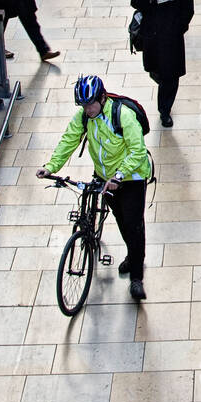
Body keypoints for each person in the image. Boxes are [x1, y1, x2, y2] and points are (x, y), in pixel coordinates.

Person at [37, 75, 152, 301]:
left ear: (102, 97)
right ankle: (132, 253)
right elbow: (69, 140)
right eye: (83, 105)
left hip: (132, 178)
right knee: (121, 219)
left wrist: (119, 175)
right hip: (105, 177)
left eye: (90, 104)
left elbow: (137, 151)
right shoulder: (83, 118)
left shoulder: (123, 116)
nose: (87, 109)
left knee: (133, 224)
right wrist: (51, 167)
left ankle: (136, 277)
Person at [131, 0, 195, 129]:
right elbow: (134, 0)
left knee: (171, 76)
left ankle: (165, 110)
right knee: (155, 71)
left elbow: (188, 9)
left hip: (171, 37)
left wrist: (178, 29)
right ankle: (163, 88)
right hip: (151, 35)